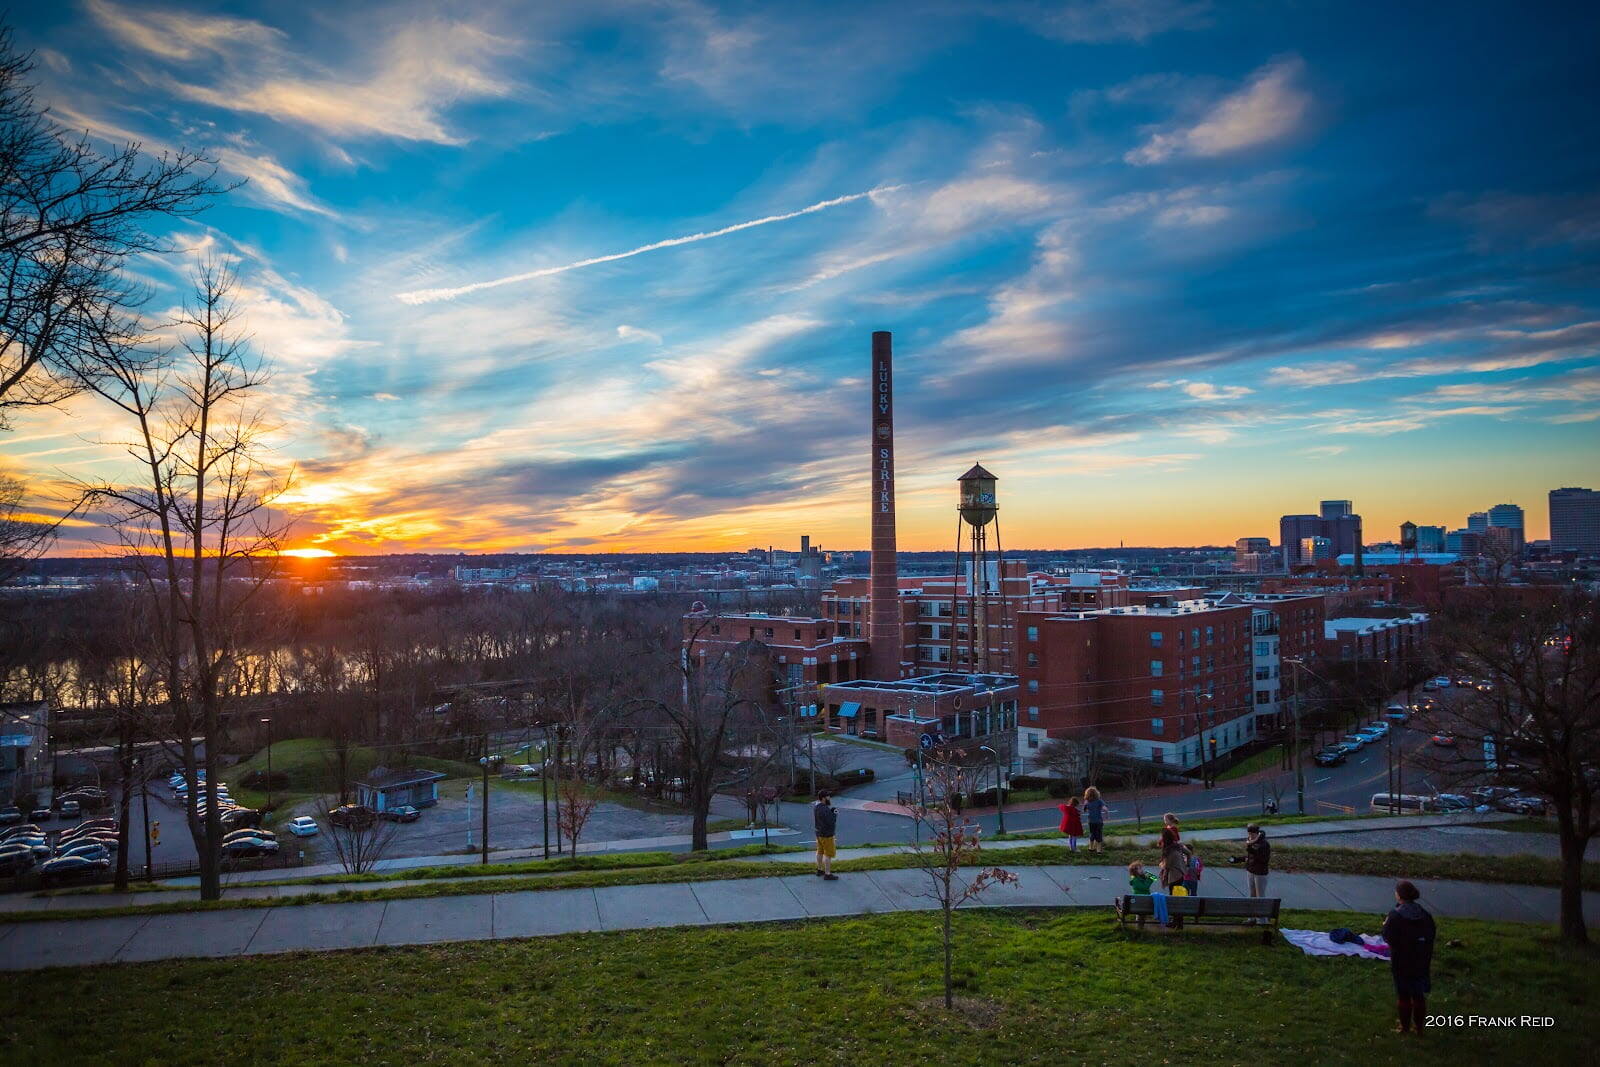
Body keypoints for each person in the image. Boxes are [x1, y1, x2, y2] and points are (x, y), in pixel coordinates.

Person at [1383, 880, 1437, 1034]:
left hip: (1402, 960)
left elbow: (1388, 937)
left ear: (1399, 895)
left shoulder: (1395, 915)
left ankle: (1404, 1027)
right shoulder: (1425, 914)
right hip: (1421, 959)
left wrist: (1385, 925)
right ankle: (1419, 1027)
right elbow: (1431, 934)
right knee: (1418, 994)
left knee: (1404, 994)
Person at [1243, 824, 1271, 915]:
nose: (1250, 836)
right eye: (1249, 834)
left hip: (1260, 873)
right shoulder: (1251, 841)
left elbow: (1263, 859)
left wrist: (1251, 850)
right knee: (1252, 895)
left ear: (1257, 833)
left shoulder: (1264, 844)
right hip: (1251, 870)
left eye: (1252, 834)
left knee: (1260, 896)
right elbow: (1250, 856)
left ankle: (1262, 920)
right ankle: (1252, 917)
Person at [813, 790, 839, 880]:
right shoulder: (824, 809)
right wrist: (834, 814)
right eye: (828, 796)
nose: (829, 798)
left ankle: (819, 869)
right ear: (824, 798)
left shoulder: (817, 807)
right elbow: (831, 822)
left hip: (819, 833)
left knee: (819, 852)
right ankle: (827, 874)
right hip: (827, 835)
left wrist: (830, 812)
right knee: (828, 854)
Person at [1083, 787, 1107, 852]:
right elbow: (1105, 809)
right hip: (1098, 821)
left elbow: (1084, 810)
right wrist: (1106, 815)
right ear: (1096, 793)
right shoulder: (1099, 801)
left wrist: (1086, 806)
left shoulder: (1087, 801)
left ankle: (1091, 848)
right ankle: (1099, 850)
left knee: (1092, 833)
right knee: (1099, 834)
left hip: (1091, 821)